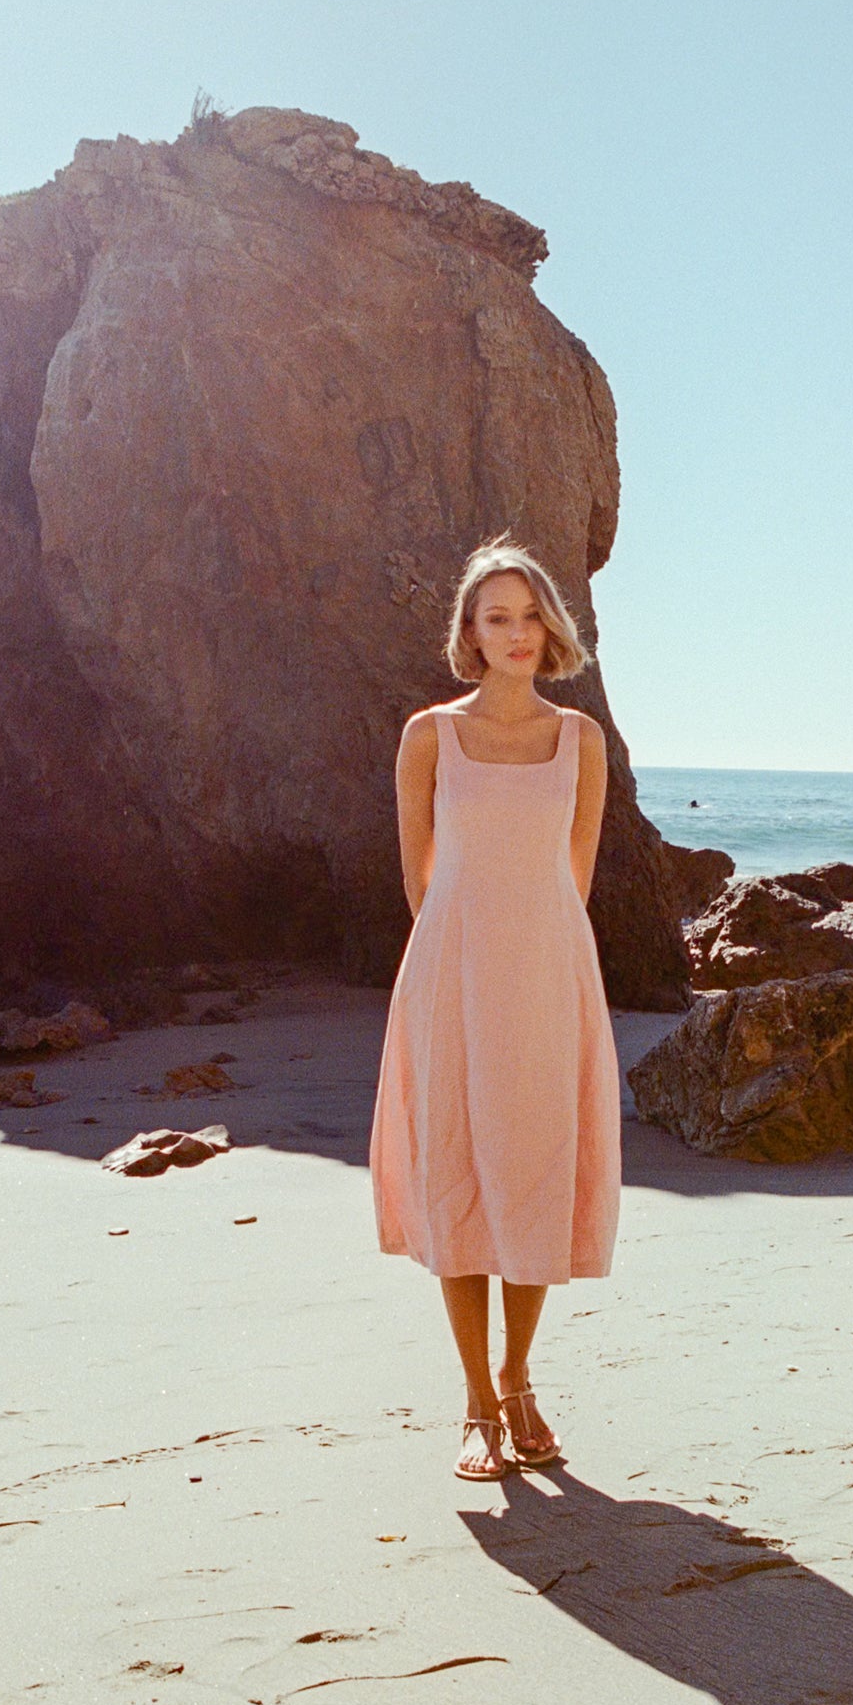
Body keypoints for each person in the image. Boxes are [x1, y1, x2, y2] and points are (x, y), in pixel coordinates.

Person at [370, 536, 622, 1481]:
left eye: (529, 615)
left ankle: (518, 1376)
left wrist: (538, 960)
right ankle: (477, 1402)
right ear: (469, 635)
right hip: (451, 977)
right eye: (497, 618)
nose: (518, 634)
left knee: (534, 1172)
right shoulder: (429, 735)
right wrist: (456, 965)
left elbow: (578, 874)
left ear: (551, 625)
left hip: (549, 977)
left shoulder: (579, 741)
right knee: (457, 1178)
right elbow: (417, 876)